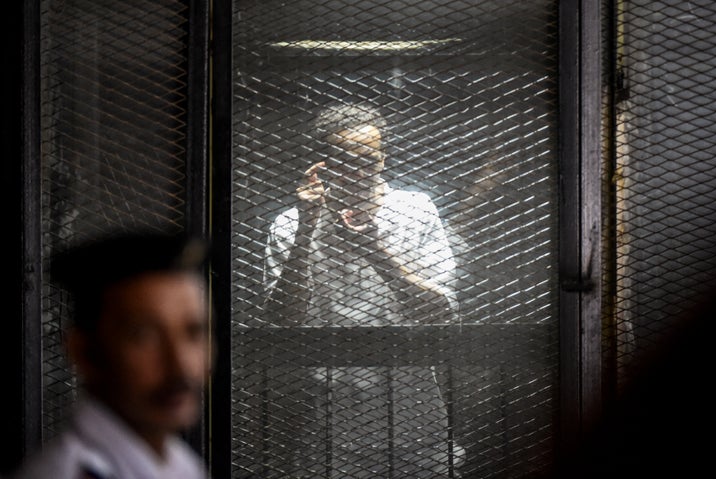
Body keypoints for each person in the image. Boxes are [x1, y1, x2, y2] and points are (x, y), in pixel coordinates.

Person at [258, 102, 464, 477]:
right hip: (330, 427)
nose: (356, 171)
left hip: (416, 420)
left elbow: (440, 313)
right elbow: (282, 321)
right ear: (323, 163)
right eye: (343, 160)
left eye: (366, 160)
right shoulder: (289, 224)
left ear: (383, 159)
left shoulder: (415, 210)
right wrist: (307, 229)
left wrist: (375, 250)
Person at [11, 232, 213, 479]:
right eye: (144, 336)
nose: (180, 366)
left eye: (194, 333)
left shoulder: (179, 464)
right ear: (83, 352)